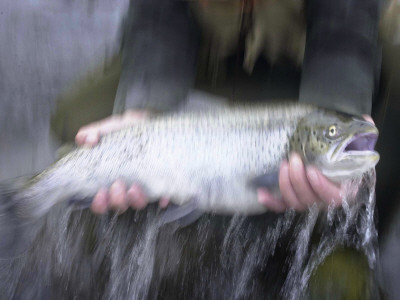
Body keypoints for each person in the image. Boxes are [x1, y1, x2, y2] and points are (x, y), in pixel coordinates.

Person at [75, 0, 380, 216]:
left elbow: (347, 20)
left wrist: (340, 104)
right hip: (204, 49)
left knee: (374, 165)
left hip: (301, 52)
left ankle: (339, 246)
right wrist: (143, 107)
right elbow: (156, 15)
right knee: (74, 117)